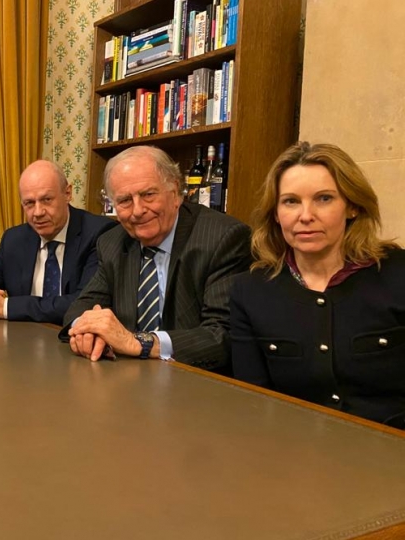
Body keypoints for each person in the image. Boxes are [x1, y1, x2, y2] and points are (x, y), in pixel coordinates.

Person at [230, 142, 405, 428]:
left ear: (352, 207)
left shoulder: (398, 273)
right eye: (291, 201)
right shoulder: (249, 291)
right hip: (293, 457)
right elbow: (254, 403)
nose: (306, 215)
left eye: (324, 199)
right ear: (275, 214)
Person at [63, 145, 251, 371]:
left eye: (148, 195)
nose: (137, 210)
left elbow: (221, 336)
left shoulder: (222, 238)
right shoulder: (112, 242)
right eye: (124, 201)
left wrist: (140, 343)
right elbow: (82, 306)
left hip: (198, 383)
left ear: (175, 192)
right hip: (129, 380)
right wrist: (87, 331)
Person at [0, 160, 116, 324]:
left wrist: (4, 307)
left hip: (72, 339)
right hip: (22, 341)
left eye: (46, 200)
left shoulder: (100, 234)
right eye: (29, 203)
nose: (38, 212)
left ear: (67, 193)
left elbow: (83, 304)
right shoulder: (14, 239)